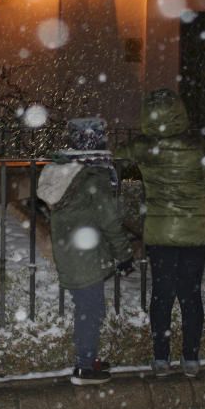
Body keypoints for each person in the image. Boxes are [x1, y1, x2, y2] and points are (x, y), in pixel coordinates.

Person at [117, 89, 205, 377]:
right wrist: (203, 206)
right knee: (190, 294)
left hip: (160, 231)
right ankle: (190, 358)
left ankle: (161, 358)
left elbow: (113, 158)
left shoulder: (143, 147)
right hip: (194, 232)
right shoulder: (198, 147)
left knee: (162, 294)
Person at [37, 117, 134, 386]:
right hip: (87, 252)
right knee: (91, 311)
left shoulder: (64, 172)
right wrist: (124, 255)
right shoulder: (93, 177)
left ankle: (88, 359)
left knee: (87, 307)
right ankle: (84, 366)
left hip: (69, 250)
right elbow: (110, 220)